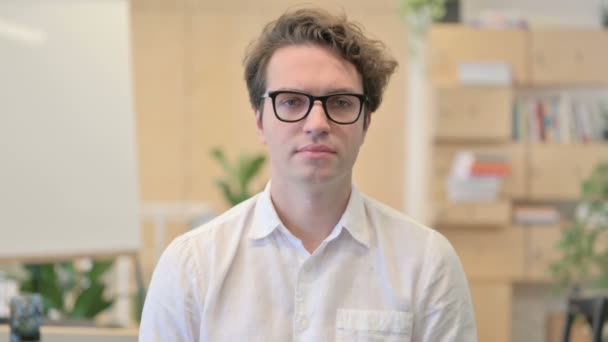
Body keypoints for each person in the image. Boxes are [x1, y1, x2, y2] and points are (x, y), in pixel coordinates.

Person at [140, 7, 477, 341]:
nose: (317, 124)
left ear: (366, 122)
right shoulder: (193, 265)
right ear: (260, 120)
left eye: (341, 102)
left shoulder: (426, 263)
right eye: (291, 102)